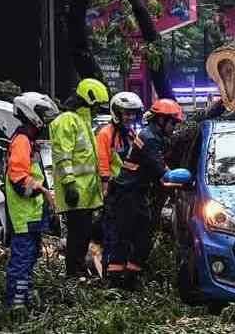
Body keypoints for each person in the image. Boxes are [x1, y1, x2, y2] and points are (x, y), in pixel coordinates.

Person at [111, 98, 184, 290]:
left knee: (141, 236)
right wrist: (186, 178)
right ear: (162, 120)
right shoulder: (150, 138)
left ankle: (129, 278)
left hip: (136, 193)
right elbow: (163, 172)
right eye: (173, 123)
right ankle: (119, 282)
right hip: (128, 194)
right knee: (131, 236)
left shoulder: (153, 135)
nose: (174, 128)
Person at [49, 78, 108, 278]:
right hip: (76, 193)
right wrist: (69, 184)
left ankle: (78, 272)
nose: (97, 110)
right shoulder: (67, 120)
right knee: (77, 236)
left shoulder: (82, 122)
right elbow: (62, 155)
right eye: (97, 106)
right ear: (88, 100)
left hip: (86, 194)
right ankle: (74, 275)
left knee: (82, 236)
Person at [4, 92, 57, 316]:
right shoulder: (22, 141)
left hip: (31, 214)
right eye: (42, 114)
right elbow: (19, 180)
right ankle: (16, 307)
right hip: (23, 215)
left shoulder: (28, 140)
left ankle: (23, 299)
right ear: (31, 113)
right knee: (22, 259)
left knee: (30, 257)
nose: (45, 120)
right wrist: (44, 191)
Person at [98, 91, 143, 285]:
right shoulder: (106, 134)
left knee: (128, 234)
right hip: (114, 192)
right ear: (117, 113)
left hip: (130, 192)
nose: (130, 117)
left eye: (133, 113)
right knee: (113, 235)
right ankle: (111, 277)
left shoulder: (131, 134)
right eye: (127, 113)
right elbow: (103, 162)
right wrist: (106, 187)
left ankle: (125, 275)